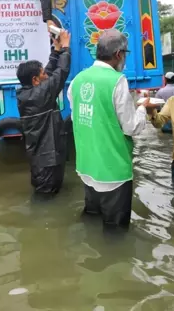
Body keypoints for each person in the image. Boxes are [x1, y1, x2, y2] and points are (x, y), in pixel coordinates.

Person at [68, 29, 148, 230]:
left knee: (92, 220)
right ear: (119, 54)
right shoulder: (117, 81)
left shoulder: (78, 80)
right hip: (113, 172)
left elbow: (77, 114)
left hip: (87, 167)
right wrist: (143, 107)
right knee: (115, 232)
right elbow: (131, 127)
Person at [16, 30, 72, 196]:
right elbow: (61, 72)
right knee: (46, 198)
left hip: (43, 159)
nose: (45, 75)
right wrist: (66, 47)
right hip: (47, 162)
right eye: (41, 74)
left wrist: (55, 50)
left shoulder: (28, 94)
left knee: (46, 195)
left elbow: (49, 72)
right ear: (35, 80)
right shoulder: (40, 95)